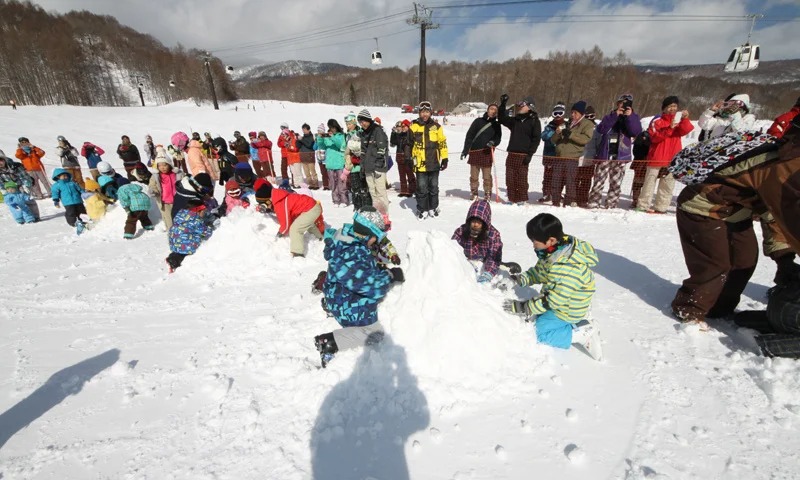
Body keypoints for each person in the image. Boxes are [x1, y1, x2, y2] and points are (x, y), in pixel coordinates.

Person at [669, 124, 800, 327]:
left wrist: (785, 258)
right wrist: (786, 257)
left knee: (745, 260)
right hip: (701, 207)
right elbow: (786, 216)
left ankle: (719, 308)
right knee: (716, 264)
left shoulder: (789, 165)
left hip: (736, 211)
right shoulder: (783, 167)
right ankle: (689, 308)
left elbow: (773, 214)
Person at [313, 208, 405, 367]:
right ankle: (329, 342)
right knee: (376, 333)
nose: (376, 241)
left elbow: (360, 275)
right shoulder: (353, 252)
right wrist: (389, 276)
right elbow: (372, 288)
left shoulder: (349, 240)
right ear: (368, 234)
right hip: (344, 301)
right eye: (376, 237)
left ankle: (331, 305)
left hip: (340, 292)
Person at [503, 213, 602, 360]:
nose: (533, 245)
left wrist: (524, 308)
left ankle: (582, 333)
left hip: (568, 309)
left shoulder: (568, 267)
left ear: (551, 240)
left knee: (538, 332)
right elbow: (539, 272)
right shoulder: (554, 252)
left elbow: (554, 301)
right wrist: (519, 279)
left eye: (535, 242)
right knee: (538, 316)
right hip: (563, 300)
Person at [638, 96, 694, 213]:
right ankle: (643, 205)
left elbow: (686, 130)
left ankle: (661, 207)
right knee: (649, 183)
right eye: (669, 106)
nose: (672, 109)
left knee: (667, 185)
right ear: (664, 109)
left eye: (674, 106)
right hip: (657, 157)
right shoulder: (657, 121)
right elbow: (654, 137)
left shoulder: (678, 122)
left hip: (672, 158)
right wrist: (669, 128)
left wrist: (685, 119)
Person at [586, 94, 642, 209]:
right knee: (598, 181)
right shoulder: (610, 115)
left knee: (616, 183)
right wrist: (615, 115)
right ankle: (594, 202)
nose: (623, 105)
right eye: (621, 103)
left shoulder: (633, 117)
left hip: (621, 155)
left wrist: (629, 116)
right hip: (605, 154)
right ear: (617, 104)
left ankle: (611, 203)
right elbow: (601, 129)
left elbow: (635, 131)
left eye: (626, 103)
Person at [258, 180, 325, 257]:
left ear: (268, 201)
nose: (264, 208)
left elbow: (286, 225)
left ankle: (297, 253)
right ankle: (319, 237)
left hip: (311, 209)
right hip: (311, 207)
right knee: (305, 223)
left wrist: (280, 233)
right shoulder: (279, 198)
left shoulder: (281, 203)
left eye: (263, 205)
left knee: (295, 229)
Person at [405, 101, 448, 218]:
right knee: (422, 188)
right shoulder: (413, 126)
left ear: (430, 113)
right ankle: (422, 208)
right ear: (419, 113)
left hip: (434, 163)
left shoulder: (436, 127)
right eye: (423, 112)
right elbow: (408, 144)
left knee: (434, 187)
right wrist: (407, 158)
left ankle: (433, 207)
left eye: (427, 112)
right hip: (420, 164)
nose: (425, 114)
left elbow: (442, 143)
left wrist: (444, 158)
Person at [497, 94, 541, 204]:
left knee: (521, 179)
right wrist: (503, 104)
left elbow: (536, 139)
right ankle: (512, 198)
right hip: (512, 153)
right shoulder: (515, 120)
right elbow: (502, 118)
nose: (520, 107)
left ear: (530, 107)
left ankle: (522, 199)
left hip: (523, 155)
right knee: (510, 178)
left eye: (523, 105)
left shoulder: (534, 121)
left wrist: (530, 154)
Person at [551, 101, 594, 207]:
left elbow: (585, 139)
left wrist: (570, 134)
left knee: (570, 182)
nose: (572, 115)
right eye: (572, 112)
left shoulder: (587, 124)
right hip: (559, 156)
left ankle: (568, 203)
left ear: (581, 113)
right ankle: (555, 201)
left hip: (572, 157)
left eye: (575, 113)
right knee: (555, 180)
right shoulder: (566, 123)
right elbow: (553, 140)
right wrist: (557, 133)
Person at [452, 199, 502, 283]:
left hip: (484, 262)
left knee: (494, 263)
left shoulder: (493, 235)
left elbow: (493, 256)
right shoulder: (461, 231)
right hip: (466, 262)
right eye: (473, 221)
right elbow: (452, 248)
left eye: (479, 222)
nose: (475, 224)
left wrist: (488, 272)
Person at [461, 103, 502, 201]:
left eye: (495, 110)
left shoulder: (496, 125)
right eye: (491, 109)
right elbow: (469, 136)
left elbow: (498, 138)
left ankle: (487, 193)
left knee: (487, 177)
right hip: (475, 152)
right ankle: (474, 192)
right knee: (474, 176)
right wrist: (465, 150)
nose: (493, 111)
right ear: (487, 110)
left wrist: (493, 142)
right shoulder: (478, 121)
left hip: (487, 153)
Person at [357, 109, 391, 226]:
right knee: (373, 193)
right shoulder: (363, 134)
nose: (362, 124)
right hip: (368, 168)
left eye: (364, 121)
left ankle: (385, 216)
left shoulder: (378, 131)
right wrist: (362, 166)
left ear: (368, 120)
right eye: (360, 122)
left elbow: (383, 148)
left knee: (381, 192)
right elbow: (363, 152)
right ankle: (377, 215)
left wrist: (379, 162)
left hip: (378, 167)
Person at [166, 201, 214, 272]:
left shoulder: (180, 215)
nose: (204, 213)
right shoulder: (196, 220)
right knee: (184, 252)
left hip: (174, 243)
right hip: (186, 245)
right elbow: (206, 232)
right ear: (198, 211)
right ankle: (174, 262)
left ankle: (173, 256)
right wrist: (210, 227)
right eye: (203, 211)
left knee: (180, 249)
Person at [538, 102, 566, 204]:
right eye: (555, 113)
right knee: (548, 176)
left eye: (560, 113)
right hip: (549, 155)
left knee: (560, 176)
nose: (558, 116)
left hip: (561, 155)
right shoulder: (549, 126)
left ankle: (557, 193)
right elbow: (544, 136)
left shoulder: (566, 125)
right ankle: (546, 193)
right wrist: (554, 132)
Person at [317, 119, 349, 207]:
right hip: (330, 164)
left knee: (341, 183)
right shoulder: (327, 137)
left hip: (339, 163)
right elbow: (321, 145)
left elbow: (340, 145)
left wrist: (332, 137)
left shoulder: (341, 136)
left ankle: (344, 200)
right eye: (330, 128)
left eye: (333, 127)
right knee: (333, 184)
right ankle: (335, 200)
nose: (332, 129)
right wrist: (320, 137)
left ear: (336, 127)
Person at [149, 147, 182, 231]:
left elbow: (184, 183)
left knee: (180, 220)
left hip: (178, 201)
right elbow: (153, 186)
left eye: (165, 165)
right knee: (170, 222)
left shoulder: (176, 174)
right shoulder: (155, 176)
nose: (162, 167)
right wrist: (154, 192)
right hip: (165, 203)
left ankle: (182, 237)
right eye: (159, 165)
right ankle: (172, 237)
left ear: (169, 164)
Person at [391, 119, 416, 198]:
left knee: (410, 174)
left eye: (404, 126)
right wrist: (393, 133)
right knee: (401, 174)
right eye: (402, 126)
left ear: (408, 126)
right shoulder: (400, 135)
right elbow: (393, 142)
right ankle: (403, 190)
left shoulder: (410, 134)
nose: (403, 128)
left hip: (408, 157)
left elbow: (412, 143)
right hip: (399, 156)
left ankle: (412, 189)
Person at [298, 124, 320, 189]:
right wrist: (297, 140)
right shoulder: (303, 138)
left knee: (313, 171)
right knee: (306, 172)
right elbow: (298, 146)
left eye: (305, 129)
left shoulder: (311, 137)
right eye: (303, 129)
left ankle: (315, 184)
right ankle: (310, 184)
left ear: (308, 129)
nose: (304, 131)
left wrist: (301, 139)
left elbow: (309, 145)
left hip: (310, 156)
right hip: (303, 156)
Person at [315, 124, 330, 190]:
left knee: (326, 173)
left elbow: (325, 145)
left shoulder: (325, 138)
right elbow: (314, 147)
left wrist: (323, 138)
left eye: (320, 131)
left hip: (325, 159)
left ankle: (328, 185)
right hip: (319, 158)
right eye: (318, 131)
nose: (319, 132)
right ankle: (325, 185)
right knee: (323, 173)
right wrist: (316, 141)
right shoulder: (317, 139)